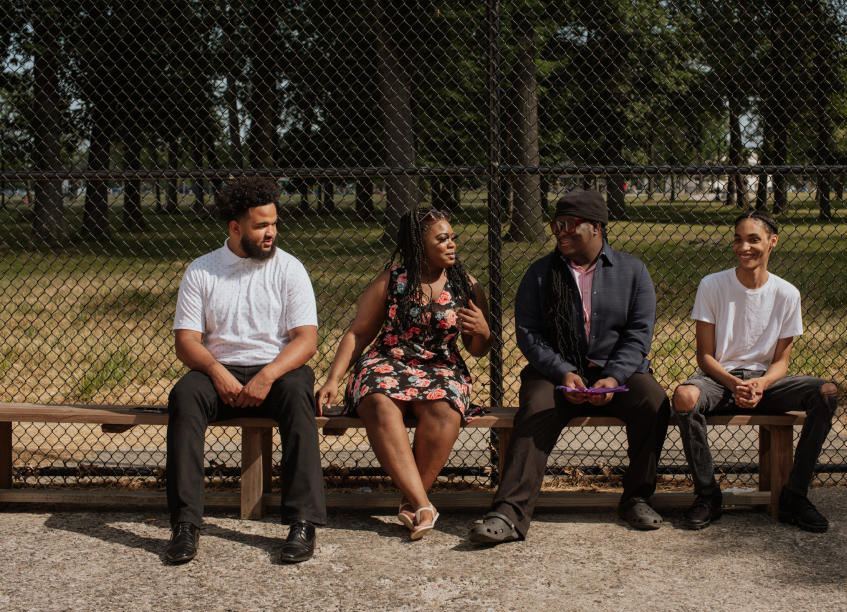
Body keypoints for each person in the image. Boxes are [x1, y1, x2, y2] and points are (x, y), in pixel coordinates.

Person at [469, 189, 670, 545]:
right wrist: (562, 371)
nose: (560, 232)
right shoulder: (541, 274)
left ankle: (637, 497)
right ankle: (509, 513)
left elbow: (639, 334)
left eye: (569, 225)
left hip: (615, 373)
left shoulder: (632, 271)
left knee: (652, 400)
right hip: (556, 373)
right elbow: (529, 334)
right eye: (555, 224)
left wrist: (614, 376)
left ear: (596, 227)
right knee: (537, 408)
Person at [165, 177, 326, 565]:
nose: (270, 233)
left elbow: (306, 340)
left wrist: (267, 376)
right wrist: (217, 373)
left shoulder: (289, 269)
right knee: (185, 396)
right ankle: (185, 525)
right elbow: (186, 341)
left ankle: (302, 523)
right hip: (219, 370)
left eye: (273, 224)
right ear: (235, 228)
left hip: (277, 370)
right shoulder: (202, 271)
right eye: (261, 226)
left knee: (298, 393)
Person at [316, 209, 491, 540]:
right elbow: (358, 333)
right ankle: (422, 504)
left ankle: (413, 502)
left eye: (452, 237)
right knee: (379, 401)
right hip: (388, 361)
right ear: (418, 244)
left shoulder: (466, 285)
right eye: (442, 239)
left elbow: (477, 348)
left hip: (441, 366)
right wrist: (333, 379)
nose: (452, 244)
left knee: (444, 408)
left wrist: (484, 331)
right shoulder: (392, 280)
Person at [672, 210, 838, 533]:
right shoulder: (712, 285)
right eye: (738, 239)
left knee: (826, 392)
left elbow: (781, 363)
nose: (743, 247)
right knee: (683, 396)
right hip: (720, 380)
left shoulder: (787, 294)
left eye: (753, 239)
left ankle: (795, 497)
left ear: (772, 242)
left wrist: (761, 384)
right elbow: (705, 357)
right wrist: (735, 384)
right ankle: (708, 496)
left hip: (766, 383)